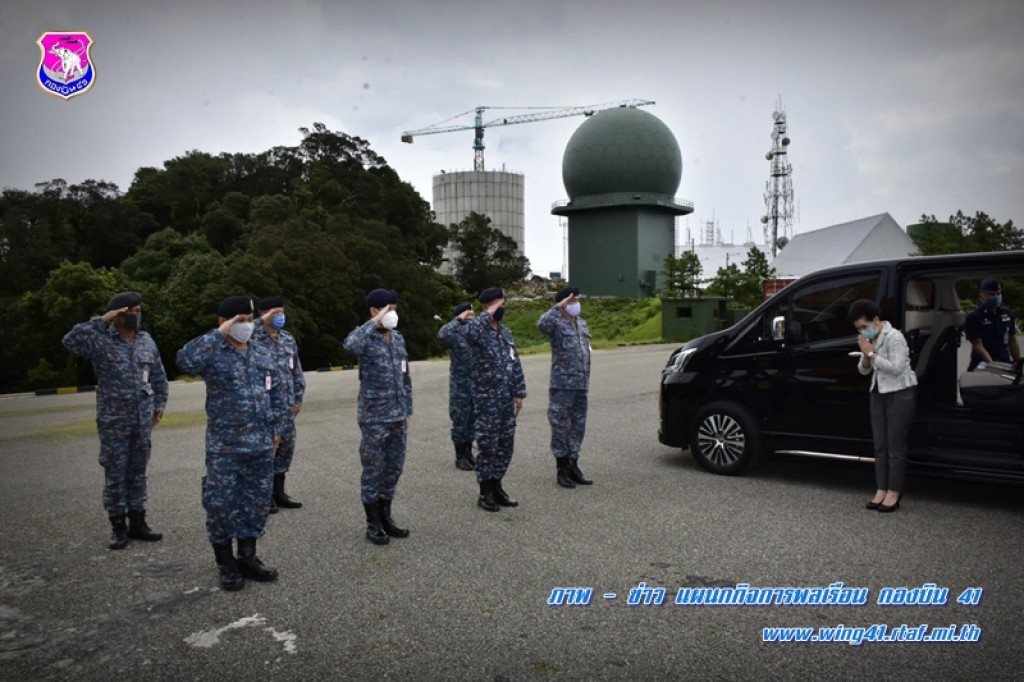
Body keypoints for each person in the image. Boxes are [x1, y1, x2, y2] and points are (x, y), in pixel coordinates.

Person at [176, 296, 285, 591]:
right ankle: (225, 563)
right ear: (223, 322)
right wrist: (220, 333)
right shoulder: (213, 352)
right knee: (221, 506)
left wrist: (276, 430)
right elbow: (184, 361)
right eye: (239, 320)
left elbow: (275, 392)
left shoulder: (262, 353)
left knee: (255, 504)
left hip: (261, 445)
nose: (246, 325)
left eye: (249, 319)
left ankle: (248, 557)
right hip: (225, 446)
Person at [62, 291, 168, 550]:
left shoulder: (146, 341)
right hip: (114, 421)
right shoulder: (100, 341)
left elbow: (158, 375)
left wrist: (160, 404)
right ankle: (118, 526)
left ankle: (138, 521)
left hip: (142, 419)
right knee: (115, 473)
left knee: (137, 472)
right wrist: (102, 319)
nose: (137, 315)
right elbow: (70, 340)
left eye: (139, 310)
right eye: (132, 311)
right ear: (118, 314)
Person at [343, 288, 413, 545]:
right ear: (375, 310)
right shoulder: (365, 339)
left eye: (394, 308)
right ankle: (372, 523)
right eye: (388, 308)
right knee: (373, 468)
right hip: (374, 417)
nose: (393, 313)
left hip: (397, 415)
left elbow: (406, 378)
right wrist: (373, 322)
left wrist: (408, 409)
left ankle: (386, 517)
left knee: (393, 467)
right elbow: (349, 345)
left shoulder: (398, 339)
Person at [849, 299, 917, 513]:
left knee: (895, 445)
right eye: (858, 328)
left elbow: (896, 368)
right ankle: (881, 488)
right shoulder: (868, 339)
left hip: (900, 392)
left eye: (864, 327)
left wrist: (870, 353)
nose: (862, 331)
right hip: (878, 392)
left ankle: (894, 492)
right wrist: (866, 356)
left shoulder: (894, 337)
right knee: (880, 446)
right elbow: (864, 370)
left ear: (876, 320)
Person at [464, 287, 526, 512]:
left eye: (503, 303)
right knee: (488, 445)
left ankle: (498, 485)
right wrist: (486, 314)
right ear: (488, 306)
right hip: (486, 399)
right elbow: (468, 332)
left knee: (505, 445)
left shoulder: (505, 332)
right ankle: (485, 491)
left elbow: (515, 362)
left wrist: (520, 392)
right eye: (500, 304)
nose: (504, 308)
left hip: (507, 398)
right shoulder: (478, 332)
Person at [253, 296, 306, 513]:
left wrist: (298, 398)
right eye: (275, 312)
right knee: (267, 451)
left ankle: (279, 492)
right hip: (266, 407)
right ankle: (264, 496)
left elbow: (297, 370)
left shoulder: (287, 339)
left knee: (286, 449)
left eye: (282, 312)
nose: (280, 316)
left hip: (287, 406)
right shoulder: (253, 338)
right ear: (263, 314)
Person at [537, 286, 593, 488]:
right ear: (563, 304)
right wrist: (557, 307)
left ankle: (573, 464)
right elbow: (540, 324)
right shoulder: (555, 323)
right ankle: (562, 467)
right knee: (560, 425)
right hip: (562, 385)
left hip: (581, 385)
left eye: (577, 300)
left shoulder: (581, 324)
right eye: (572, 301)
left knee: (578, 426)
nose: (576, 304)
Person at [438, 302, 477, 471]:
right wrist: (458, 320)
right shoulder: (454, 334)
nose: (471, 316)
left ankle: (469, 453)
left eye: (472, 314)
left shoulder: (476, 333)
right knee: (461, 421)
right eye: (468, 314)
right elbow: (442, 334)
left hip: (477, 385)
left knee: (473, 421)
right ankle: (460, 456)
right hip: (460, 386)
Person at [965, 277, 1020, 371]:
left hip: (1004, 363)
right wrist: (992, 365)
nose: (996, 297)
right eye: (991, 294)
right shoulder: (974, 317)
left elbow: (1012, 340)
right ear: (981, 295)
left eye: (998, 293)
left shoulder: (1007, 313)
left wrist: (1017, 362)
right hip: (982, 365)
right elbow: (978, 346)